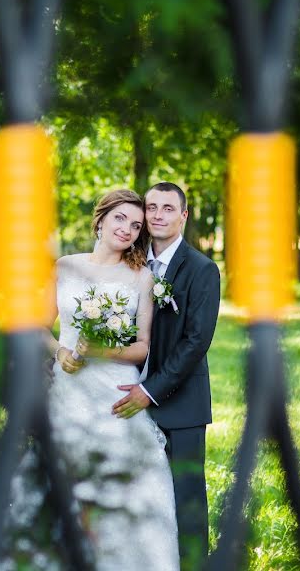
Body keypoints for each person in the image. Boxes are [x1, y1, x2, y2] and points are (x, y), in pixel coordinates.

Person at [35, 189, 179, 570]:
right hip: (68, 391)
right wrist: (61, 352)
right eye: (120, 219)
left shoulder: (141, 277)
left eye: (135, 225)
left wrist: (99, 350)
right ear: (100, 219)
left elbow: (142, 347)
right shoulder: (65, 266)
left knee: (124, 485)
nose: (128, 229)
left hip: (115, 393)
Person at [112, 182, 220, 568]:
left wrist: (150, 391)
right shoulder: (130, 263)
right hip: (126, 394)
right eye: (152, 207)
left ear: (183, 216)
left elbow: (195, 342)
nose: (158, 215)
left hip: (181, 403)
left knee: (186, 497)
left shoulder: (202, 269)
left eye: (167, 208)